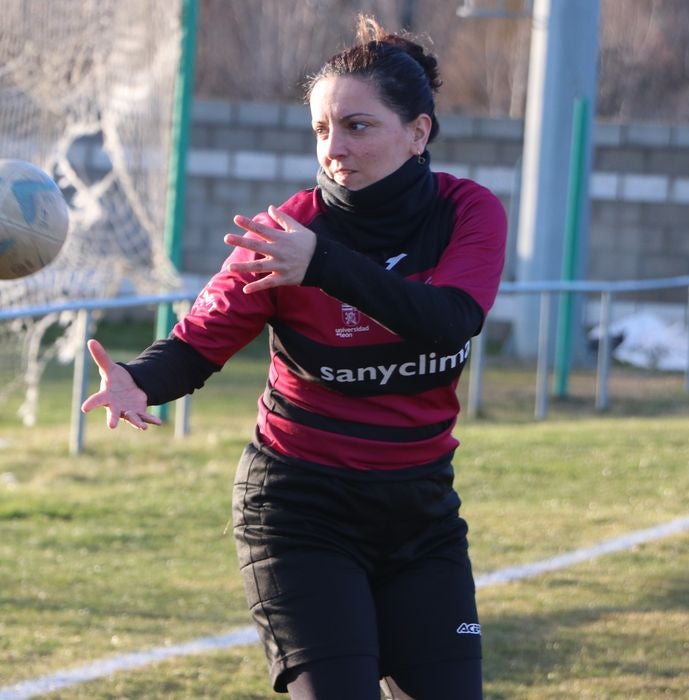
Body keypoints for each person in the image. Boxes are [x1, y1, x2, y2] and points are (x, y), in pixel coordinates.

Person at [82, 15, 506, 699]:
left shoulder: (467, 211)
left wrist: (323, 265)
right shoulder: (286, 233)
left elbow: (450, 321)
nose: (334, 148)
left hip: (419, 514)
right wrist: (138, 379)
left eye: (358, 126)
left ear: (418, 132)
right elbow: (197, 343)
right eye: (321, 130)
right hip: (300, 511)